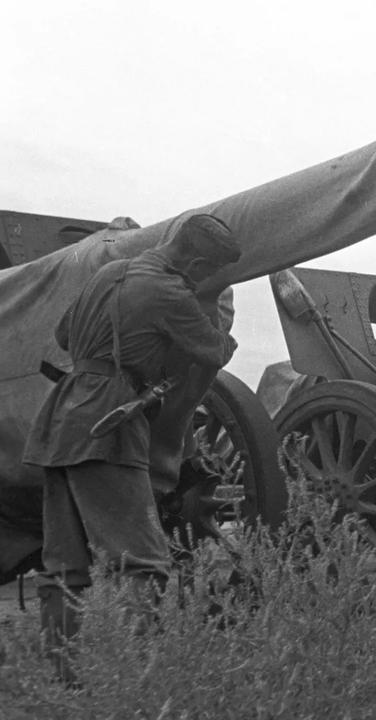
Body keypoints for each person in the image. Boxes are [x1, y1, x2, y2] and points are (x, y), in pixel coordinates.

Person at [22, 214, 241, 683]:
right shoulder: (170, 291)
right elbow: (213, 351)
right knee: (143, 562)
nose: (201, 280)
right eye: (205, 272)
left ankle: (65, 681)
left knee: (64, 565)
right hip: (109, 423)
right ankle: (137, 681)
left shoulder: (108, 273)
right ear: (198, 261)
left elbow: (64, 336)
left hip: (62, 418)